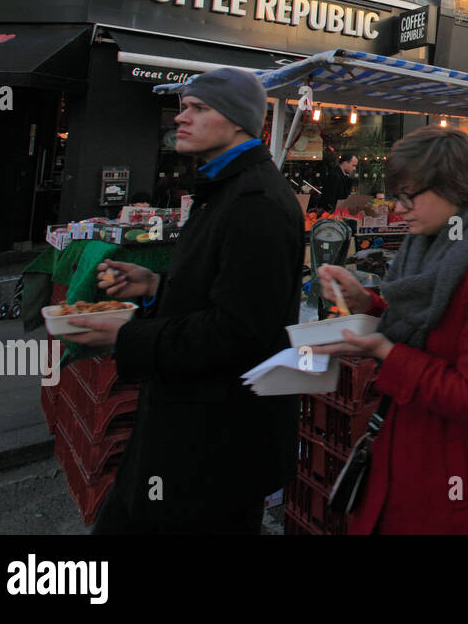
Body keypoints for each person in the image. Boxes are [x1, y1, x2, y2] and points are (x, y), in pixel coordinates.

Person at [70, 68, 303, 534]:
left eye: (198, 108)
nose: (181, 118)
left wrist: (125, 334)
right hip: (192, 435)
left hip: (214, 449)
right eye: (183, 107)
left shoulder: (254, 202)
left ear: (237, 121)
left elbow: (239, 334)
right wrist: (156, 288)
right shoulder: (223, 190)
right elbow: (220, 294)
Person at [314, 126, 468, 533]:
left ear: (452, 188)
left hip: (464, 472)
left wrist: (386, 353)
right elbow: (426, 322)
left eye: (409, 195)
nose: (398, 208)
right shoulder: (435, 240)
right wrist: (367, 302)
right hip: (413, 448)